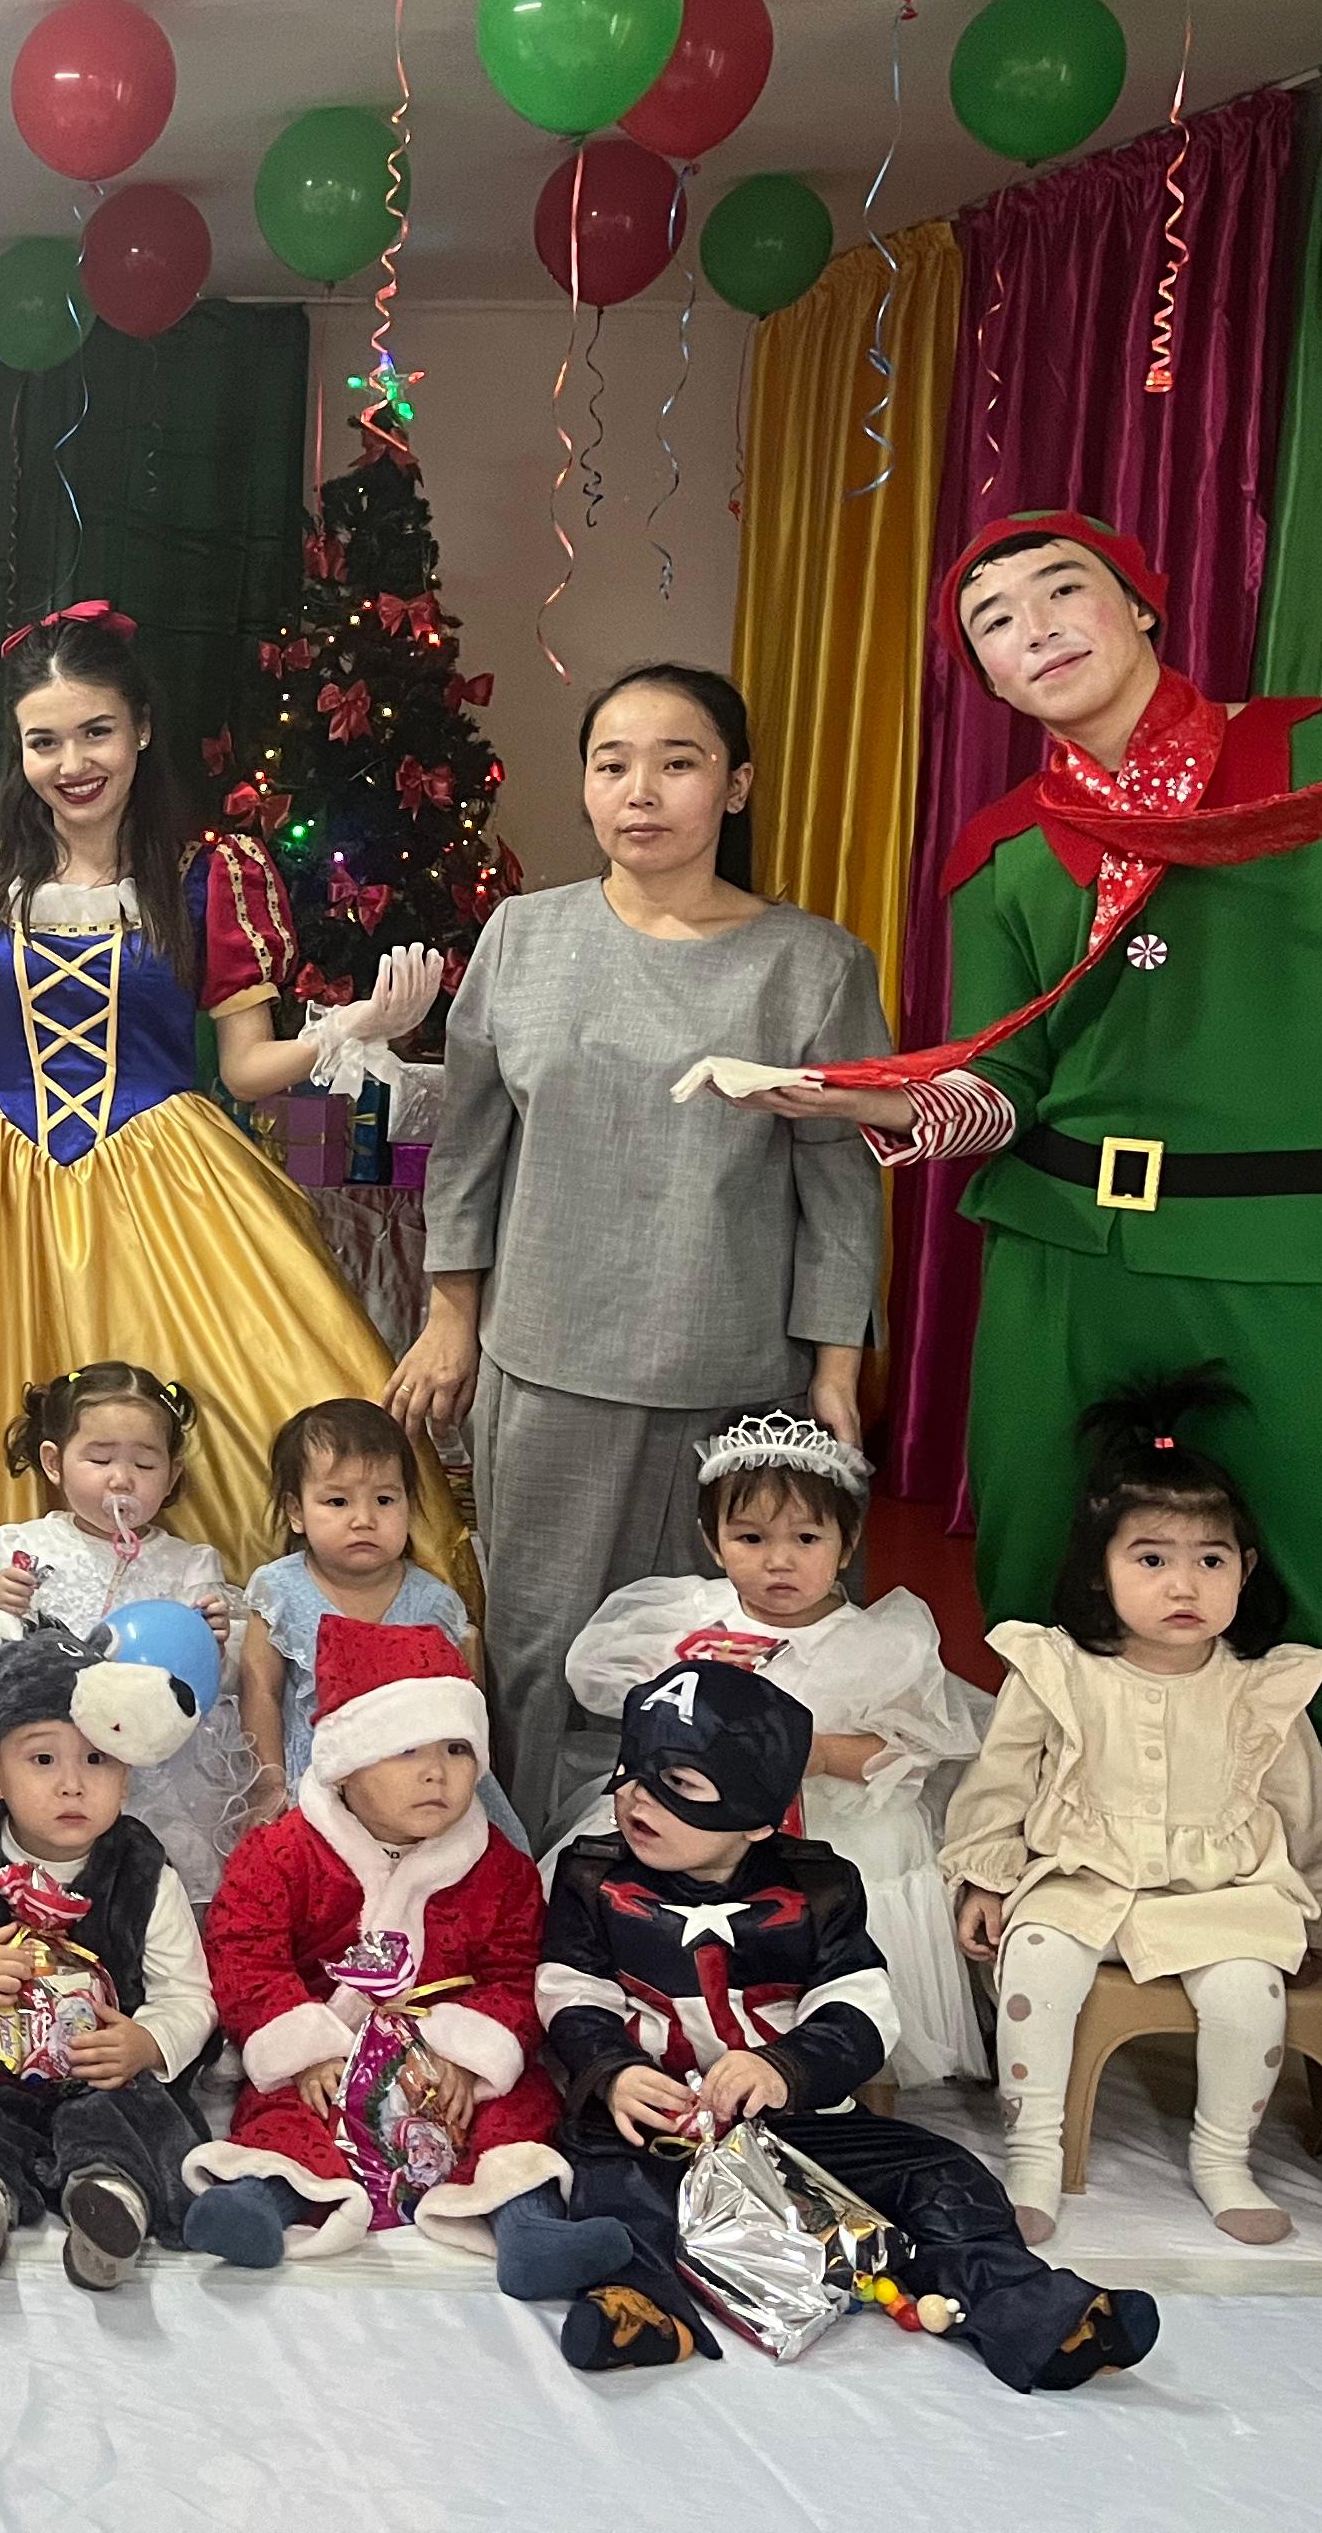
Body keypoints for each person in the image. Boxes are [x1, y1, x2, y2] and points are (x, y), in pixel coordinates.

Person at [714, 511, 1322, 1774]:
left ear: (1141, 605)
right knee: (1037, 1575)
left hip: (1285, 1248)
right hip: (1061, 1252)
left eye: (1062, 590)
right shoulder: (1003, 849)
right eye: (993, 623)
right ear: (991, 679)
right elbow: (1003, 1086)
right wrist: (871, 1105)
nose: (1035, 628)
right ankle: (1048, 1824)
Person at [0, 602, 457, 1591]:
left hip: (168, 1180)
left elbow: (247, 1068)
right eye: (45, 741)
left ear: (140, 727)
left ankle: (277, 1615)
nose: (72, 762)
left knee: (262, 1381)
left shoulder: (208, 878)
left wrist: (347, 1029)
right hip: (6, 1194)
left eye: (95, 731)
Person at [393, 665, 891, 1840]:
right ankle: (528, 1881)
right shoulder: (523, 936)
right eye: (612, 763)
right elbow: (468, 1151)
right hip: (547, 1362)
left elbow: (841, 1181)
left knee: (729, 1649)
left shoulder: (813, 963)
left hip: (738, 1375)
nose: (641, 790)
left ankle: (706, 1886)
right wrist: (452, 1317)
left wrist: (834, 1370)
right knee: (537, 1649)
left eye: (679, 762)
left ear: (736, 786)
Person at [504, 1660, 1156, 2392]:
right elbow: (570, 1991)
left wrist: (785, 2068)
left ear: (759, 1817)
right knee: (615, 2192)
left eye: (679, 1783)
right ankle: (641, 2307)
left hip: (795, 2124)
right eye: (631, 1771)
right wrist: (616, 2073)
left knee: (946, 2175)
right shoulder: (592, 1878)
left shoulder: (820, 1888)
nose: (637, 1798)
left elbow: (860, 2007)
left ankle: (1023, 2306)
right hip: (653, 2124)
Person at [944, 1372, 1322, 2245]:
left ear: (1245, 1570)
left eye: (1211, 1561)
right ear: (1101, 1572)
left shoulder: (1259, 1689)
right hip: (1080, 1875)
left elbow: (1306, 1810)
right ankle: (1034, 2151)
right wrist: (984, 1876)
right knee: (1038, 1963)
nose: (1184, 1585)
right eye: (1152, 1559)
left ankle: (1223, 2157)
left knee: (1248, 1995)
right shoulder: (1058, 1672)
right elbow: (999, 1786)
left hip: (1223, 1889)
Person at [557, 1409, 991, 2085]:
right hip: (691, 1822)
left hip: (831, 1826)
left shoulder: (877, 1643)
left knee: (834, 1937)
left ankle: (840, 2066)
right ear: (712, 1540)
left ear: (847, 1544)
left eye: (807, 1538)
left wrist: (812, 1754)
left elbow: (907, 1751)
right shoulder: (685, 1621)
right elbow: (637, 1710)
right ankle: (663, 2039)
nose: (778, 1560)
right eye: (750, 1537)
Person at [180, 1621, 563, 2266]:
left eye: (456, 1749)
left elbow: (516, 1973)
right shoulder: (281, 1854)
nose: (436, 1773)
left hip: (442, 2062)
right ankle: (261, 2199)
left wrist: (466, 2056)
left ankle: (527, 2221)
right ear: (347, 1766)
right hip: (329, 2048)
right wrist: (308, 2052)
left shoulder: (501, 1868)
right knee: (286, 2114)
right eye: (405, 1751)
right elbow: (245, 1956)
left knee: (517, 2109)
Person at [0, 1618, 211, 2286]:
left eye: (97, 1761)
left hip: (100, 2069)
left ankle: (110, 2195)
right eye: (42, 1760)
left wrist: (148, 2042)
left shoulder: (144, 1872)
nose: (72, 1784)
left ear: (126, 1776)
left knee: (130, 2115)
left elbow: (189, 1996)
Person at [0, 1364, 256, 1906]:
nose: (121, 1479)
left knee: (133, 1882)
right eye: (100, 1460)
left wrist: (216, 1642)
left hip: (146, 1763)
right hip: (40, 1747)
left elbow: (213, 1679)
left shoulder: (189, 1563)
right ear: (54, 1462)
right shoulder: (27, 1543)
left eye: (144, 1464)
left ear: (172, 1474)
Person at [236, 1400, 517, 1846]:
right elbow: (261, 1692)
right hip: (316, 1788)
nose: (364, 1520)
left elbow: (465, 1715)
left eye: (385, 1500)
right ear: (296, 1512)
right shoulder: (279, 1591)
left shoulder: (433, 1603)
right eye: (338, 1501)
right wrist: (268, 1783)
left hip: (419, 1791)